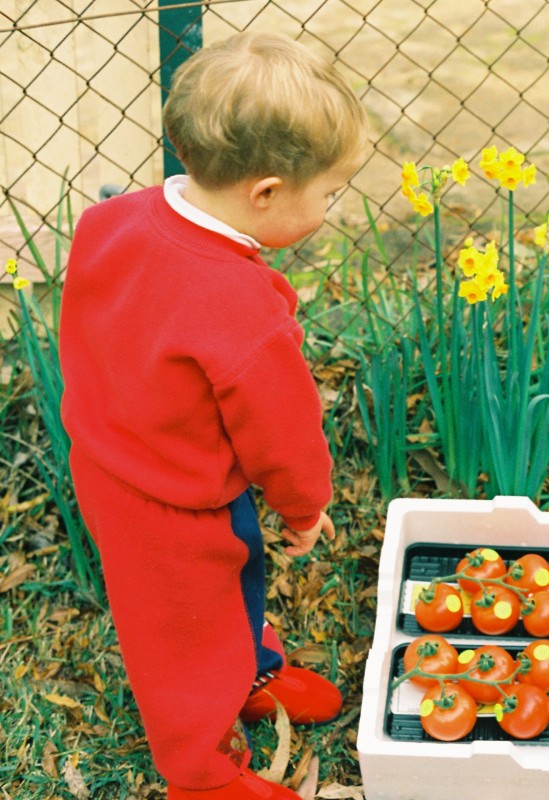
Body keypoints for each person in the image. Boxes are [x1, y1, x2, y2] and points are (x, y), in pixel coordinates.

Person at [59, 31, 368, 800]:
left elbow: (95, 326)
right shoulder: (240, 310)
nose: (330, 208)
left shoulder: (114, 219)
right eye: (327, 193)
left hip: (109, 463)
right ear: (265, 193)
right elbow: (283, 432)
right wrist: (305, 505)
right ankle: (199, 773)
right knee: (181, 637)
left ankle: (252, 670)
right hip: (172, 500)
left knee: (230, 589)